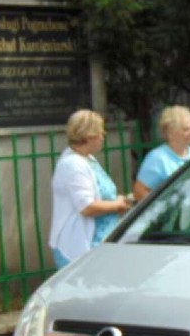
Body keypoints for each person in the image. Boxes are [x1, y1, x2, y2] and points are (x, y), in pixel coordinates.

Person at [49, 109, 131, 269]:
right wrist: (118, 205)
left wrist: (119, 201)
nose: (103, 137)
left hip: (100, 242)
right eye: (100, 133)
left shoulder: (88, 159)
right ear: (89, 136)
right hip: (79, 246)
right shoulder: (72, 164)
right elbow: (86, 207)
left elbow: (101, 195)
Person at [132, 105, 190, 202]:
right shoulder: (157, 158)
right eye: (185, 129)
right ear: (170, 133)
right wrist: (162, 208)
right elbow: (139, 192)